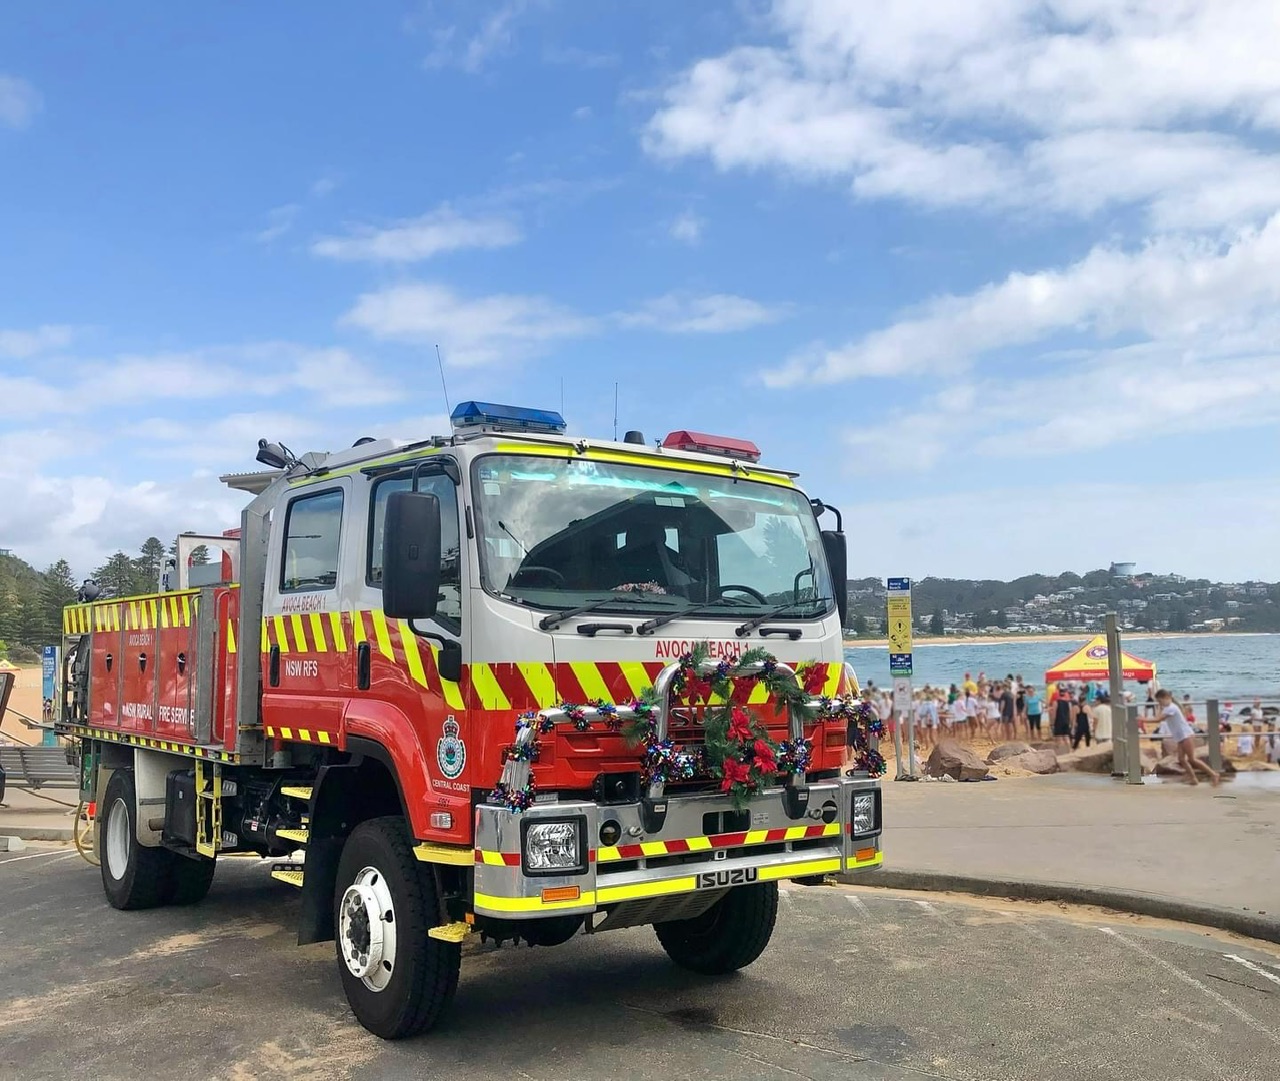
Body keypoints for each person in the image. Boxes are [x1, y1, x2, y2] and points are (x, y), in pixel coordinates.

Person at [1154, 689, 1219, 786]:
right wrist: (1160, 707)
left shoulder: (1171, 708)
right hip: (1181, 737)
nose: (1160, 703)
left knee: (1192, 759)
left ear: (1166, 698)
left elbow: (1157, 719)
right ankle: (1193, 778)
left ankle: (1213, 774)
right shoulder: (1169, 708)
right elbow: (1159, 717)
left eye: (1160, 701)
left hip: (1186, 735)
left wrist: (1142, 718)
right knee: (1181, 759)